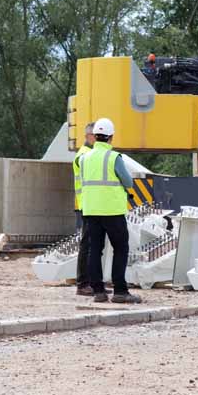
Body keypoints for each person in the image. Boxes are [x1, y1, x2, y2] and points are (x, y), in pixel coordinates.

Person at [79, 118, 141, 304]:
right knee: (120, 249)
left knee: (94, 250)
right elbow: (128, 182)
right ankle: (120, 291)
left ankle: (98, 291)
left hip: (90, 210)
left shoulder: (83, 158)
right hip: (112, 210)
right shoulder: (114, 157)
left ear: (95, 137)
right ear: (110, 137)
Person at [72, 121, 105, 296]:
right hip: (86, 206)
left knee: (93, 245)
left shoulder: (88, 154)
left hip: (90, 205)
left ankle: (92, 282)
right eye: (98, 135)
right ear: (90, 136)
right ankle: (83, 283)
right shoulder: (84, 155)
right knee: (87, 245)